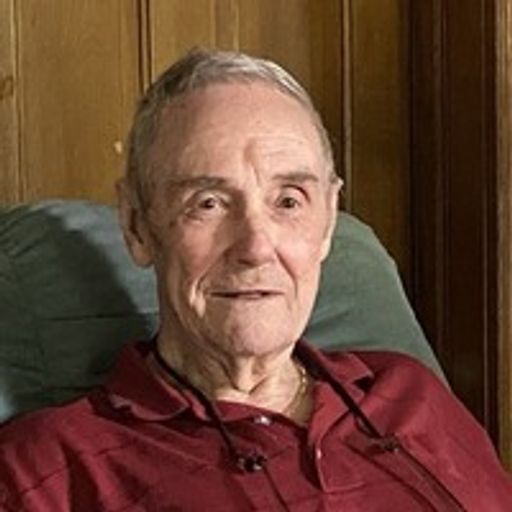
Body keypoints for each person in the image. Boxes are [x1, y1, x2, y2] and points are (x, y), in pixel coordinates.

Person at [0, 48, 510, 512]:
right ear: (137, 226)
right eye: (209, 203)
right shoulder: (48, 470)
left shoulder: (410, 397)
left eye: (288, 201)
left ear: (327, 223)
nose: (256, 247)